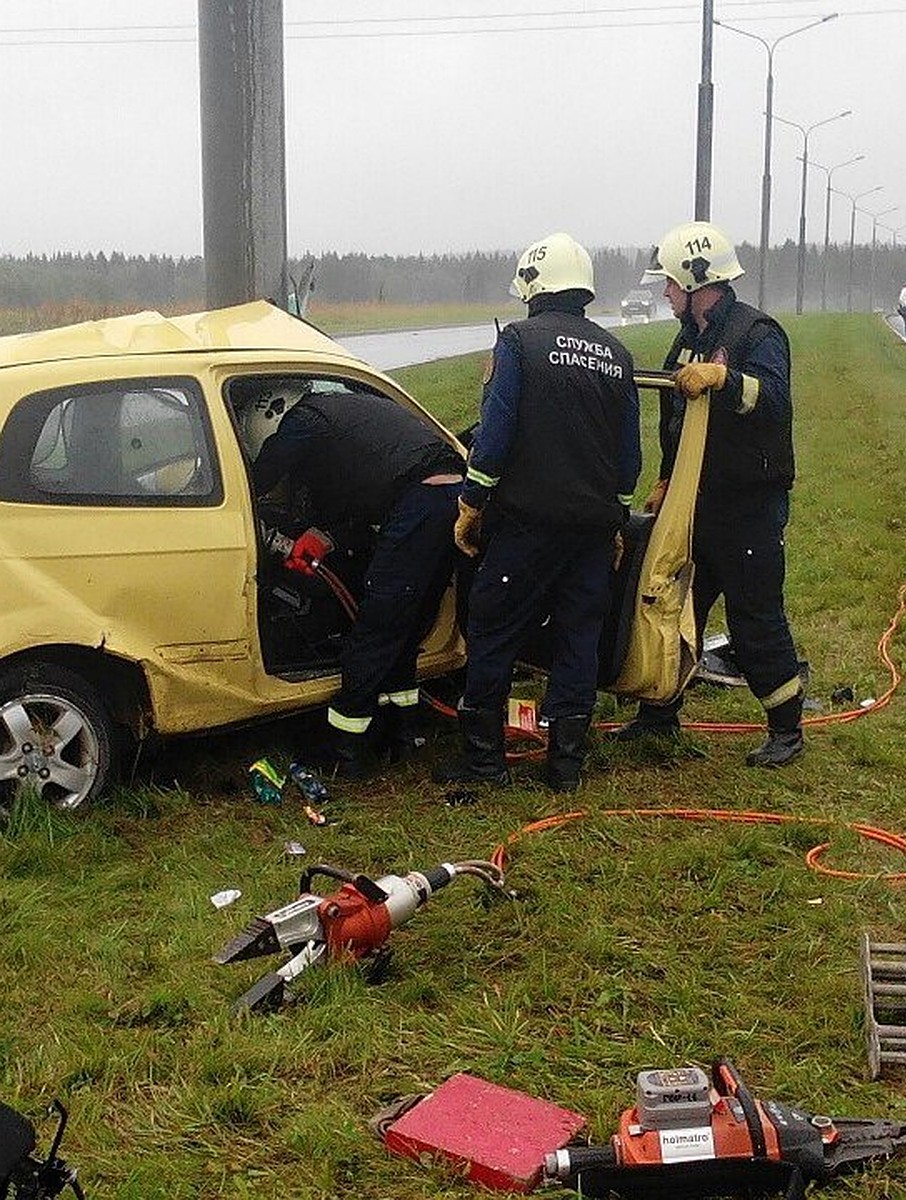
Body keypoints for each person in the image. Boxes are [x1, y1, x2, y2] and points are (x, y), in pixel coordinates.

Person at [435, 232, 641, 793]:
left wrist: (471, 502)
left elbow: (495, 437)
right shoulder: (617, 356)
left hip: (527, 525)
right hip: (591, 532)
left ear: (533, 287)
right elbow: (629, 460)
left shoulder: (519, 344)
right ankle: (565, 768)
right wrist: (616, 521)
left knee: (494, 629)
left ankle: (484, 763)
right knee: (578, 637)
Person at [613, 220, 805, 768]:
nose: (666, 293)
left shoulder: (757, 333)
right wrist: (668, 477)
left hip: (748, 506)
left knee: (755, 618)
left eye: (671, 284)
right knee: (676, 609)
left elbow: (775, 403)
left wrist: (725, 382)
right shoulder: (689, 337)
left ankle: (787, 729)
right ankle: (657, 714)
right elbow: (676, 419)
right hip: (695, 503)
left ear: (699, 282)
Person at [242, 379, 464, 776]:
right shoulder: (346, 409)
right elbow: (361, 498)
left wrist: (243, 498)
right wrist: (325, 536)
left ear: (270, 416)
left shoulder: (303, 419)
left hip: (421, 505)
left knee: (376, 627)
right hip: (452, 499)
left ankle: (345, 751)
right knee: (406, 629)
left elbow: (261, 477)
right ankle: (403, 734)